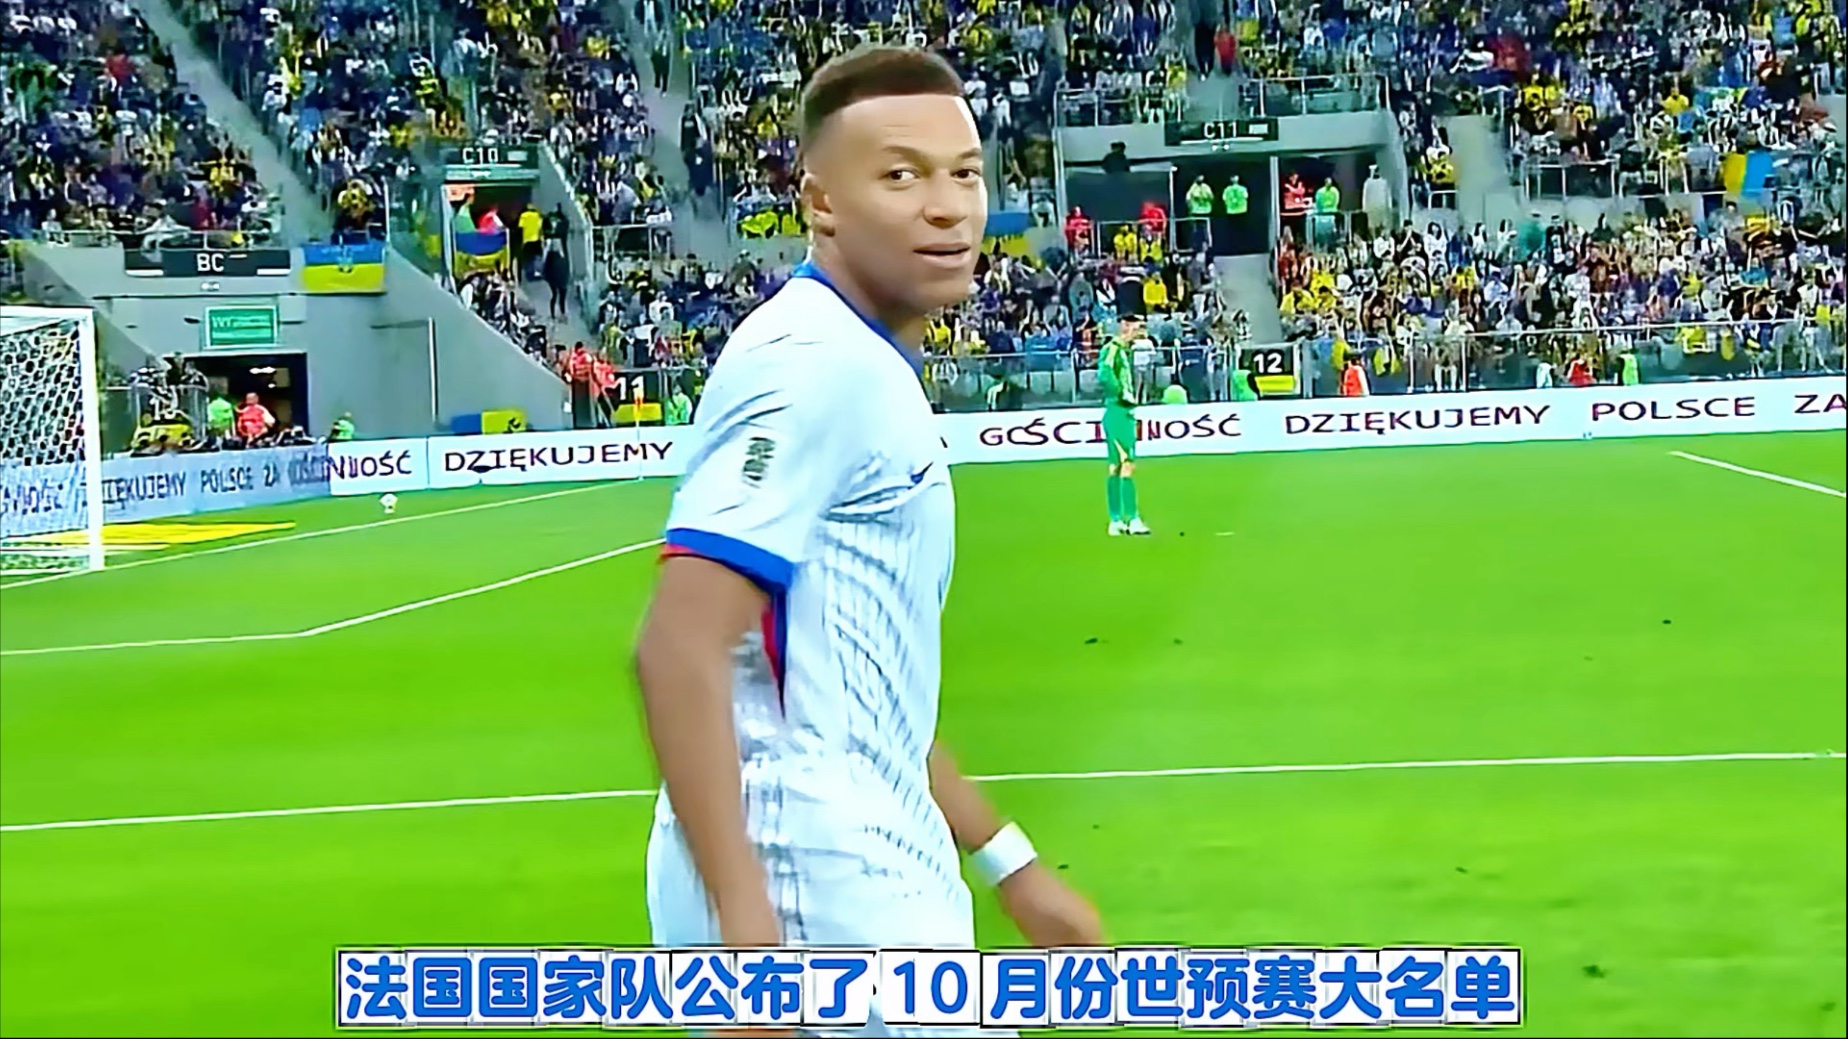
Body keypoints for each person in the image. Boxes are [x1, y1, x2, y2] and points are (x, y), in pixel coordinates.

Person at [634, 45, 1102, 1032]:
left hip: (866, 861)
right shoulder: (811, 363)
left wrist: (1009, 864)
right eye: (901, 175)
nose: (947, 207)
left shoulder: (862, 361)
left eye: (964, 173)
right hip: (810, 882)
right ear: (821, 203)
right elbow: (678, 646)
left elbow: (869, 689)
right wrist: (748, 937)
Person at [1097, 316, 1151, 536]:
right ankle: (1132, 519)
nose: (1140, 332)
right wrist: (1120, 393)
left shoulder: (1122, 351)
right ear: (1125, 327)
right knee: (1126, 464)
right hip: (1118, 412)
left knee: (1117, 466)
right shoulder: (1112, 349)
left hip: (1120, 413)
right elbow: (1104, 373)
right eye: (1137, 327)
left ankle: (1116, 520)